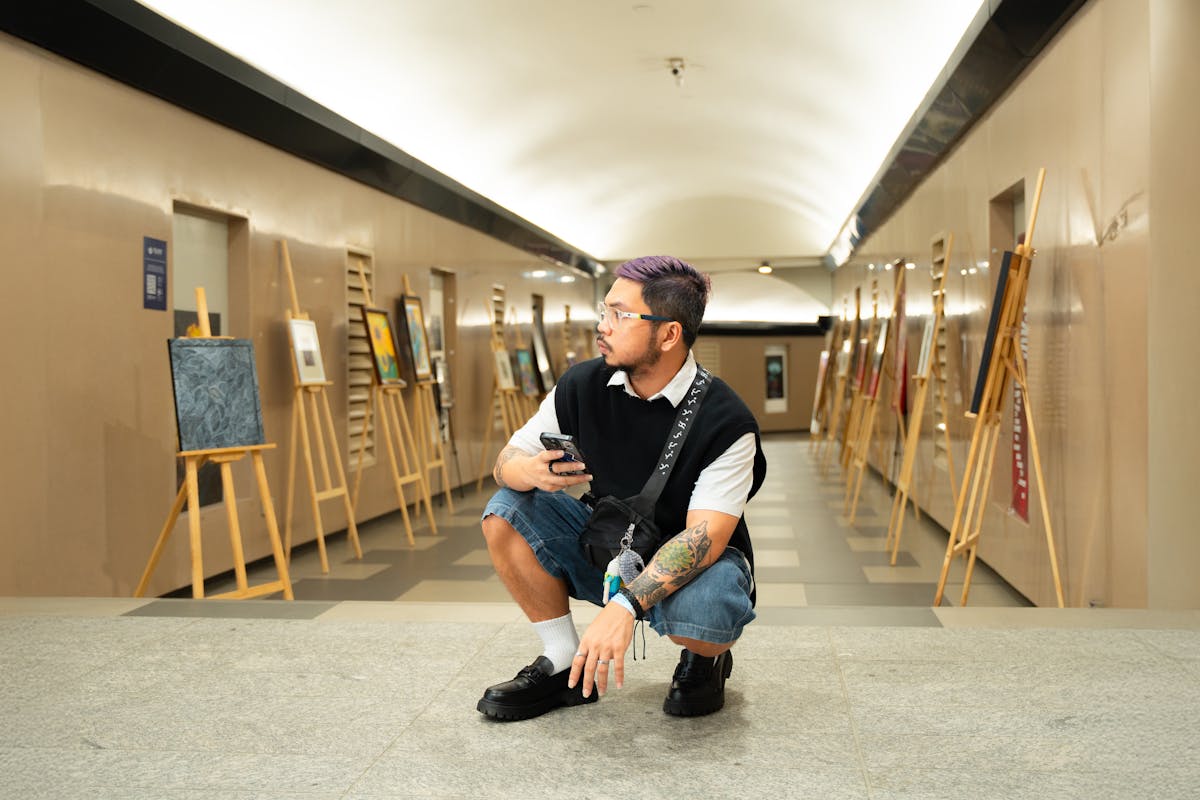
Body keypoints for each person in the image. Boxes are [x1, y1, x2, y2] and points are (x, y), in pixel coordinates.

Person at [477, 255, 767, 721]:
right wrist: (528, 471)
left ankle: (705, 657)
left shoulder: (727, 421)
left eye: (620, 315)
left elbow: (704, 538)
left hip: (692, 571)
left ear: (669, 333)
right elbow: (505, 462)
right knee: (507, 508)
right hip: (612, 548)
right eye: (604, 311)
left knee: (711, 610)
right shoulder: (583, 384)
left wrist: (624, 608)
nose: (603, 327)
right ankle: (561, 658)